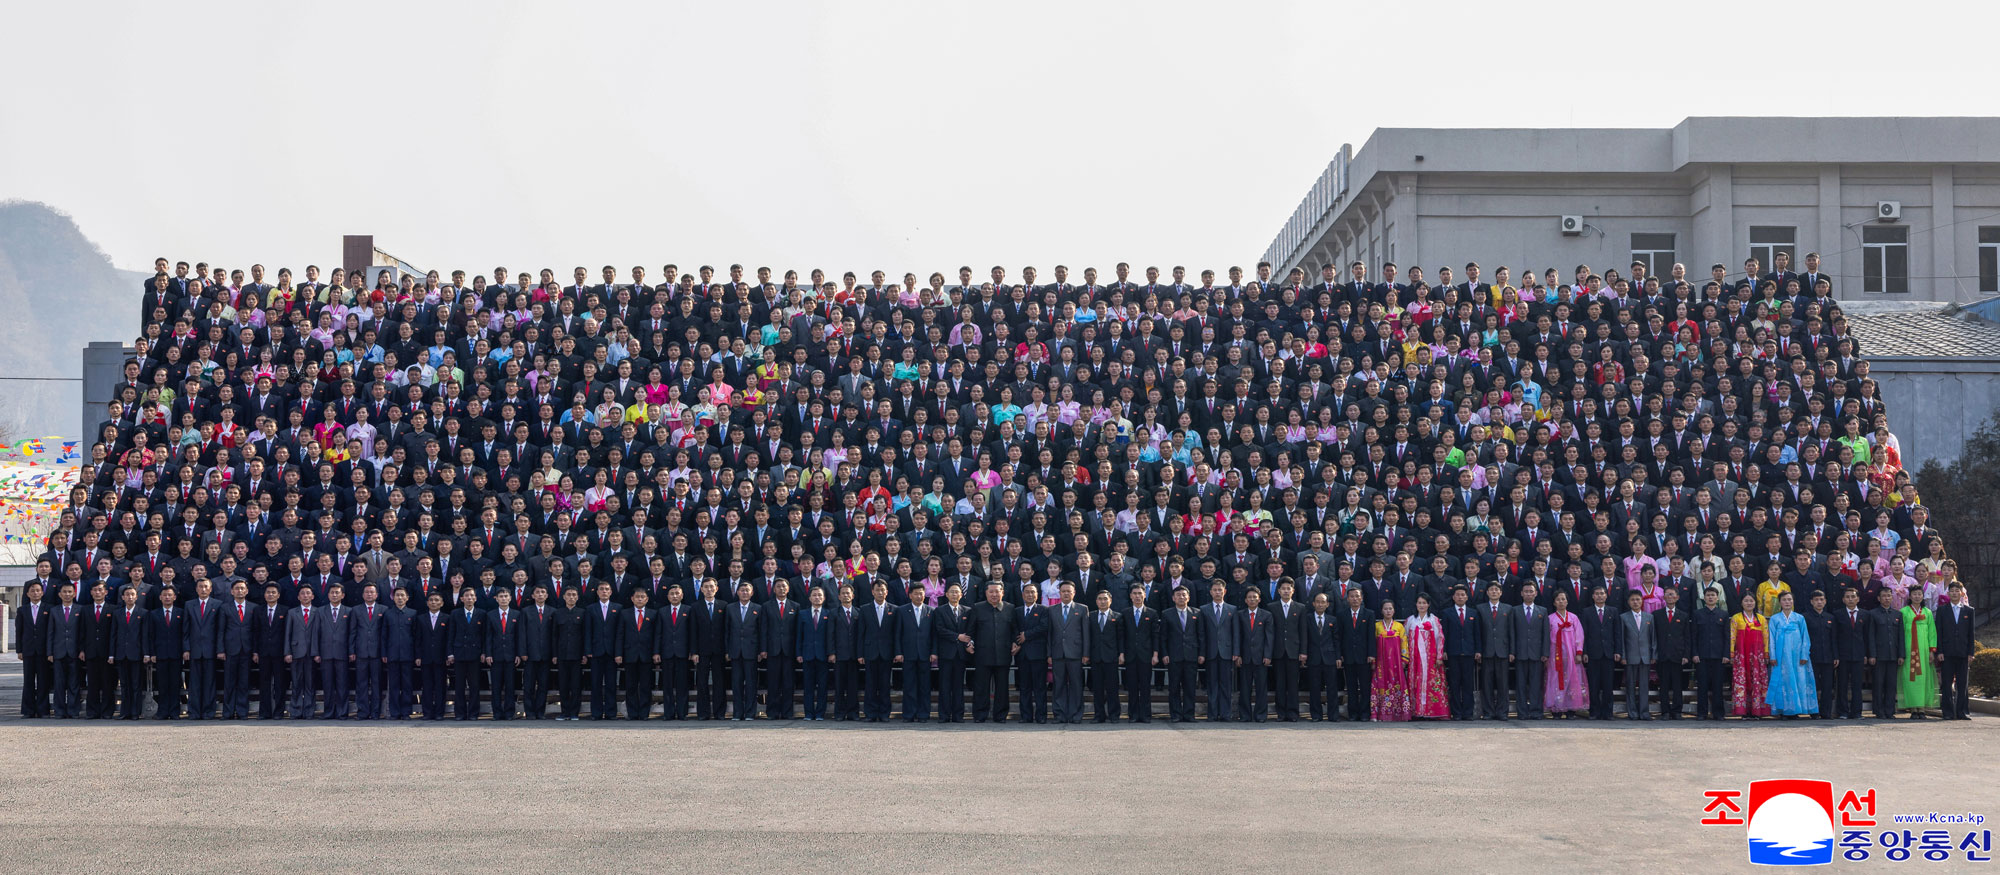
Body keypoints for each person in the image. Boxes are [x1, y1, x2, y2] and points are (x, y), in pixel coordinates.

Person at [966, 582, 1017, 723]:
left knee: (1002, 688)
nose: (994, 594)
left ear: (1003, 593)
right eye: (991, 592)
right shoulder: (977, 608)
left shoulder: (1010, 608)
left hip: (1003, 654)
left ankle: (1000, 715)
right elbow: (971, 631)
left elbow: (1015, 631)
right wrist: (969, 644)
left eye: (997, 592)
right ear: (986, 593)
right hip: (982, 655)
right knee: (981, 687)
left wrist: (1015, 643)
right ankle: (980, 714)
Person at [1765, 591, 1818, 718]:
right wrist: (1772, 656)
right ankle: (1784, 709)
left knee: (1800, 680)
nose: (1787, 602)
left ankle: (1800, 708)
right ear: (1780, 602)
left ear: (1793, 601)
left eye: (1789, 599)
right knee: (1783, 682)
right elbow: (1771, 638)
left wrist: (1804, 654)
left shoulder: (1799, 618)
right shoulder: (1774, 619)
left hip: (1797, 656)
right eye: (1784, 600)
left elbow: (1805, 637)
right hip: (1781, 656)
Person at [1160, 585, 1203, 723]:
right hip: (1174, 655)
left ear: (1188, 597)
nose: (1181, 597)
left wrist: (1201, 653)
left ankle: (1189, 714)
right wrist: (1165, 653)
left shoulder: (1197, 613)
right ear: (1173, 598)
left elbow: (1201, 635)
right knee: (1174, 687)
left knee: (1190, 686)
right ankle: (1176, 714)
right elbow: (1163, 637)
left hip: (1191, 655)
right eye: (1178, 595)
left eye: (1184, 595)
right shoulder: (1167, 614)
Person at [1543, 589, 1588, 717]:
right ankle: (1556, 708)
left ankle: (1570, 709)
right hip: (1554, 655)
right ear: (1554, 603)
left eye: (1563, 599)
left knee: (1573, 680)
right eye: (1558, 600)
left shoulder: (1573, 618)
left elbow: (1579, 635)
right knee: (1555, 679)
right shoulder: (1550, 619)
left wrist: (1579, 653)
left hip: (1572, 655)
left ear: (1567, 601)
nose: (1561, 602)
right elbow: (1546, 638)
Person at [723, 581, 764, 721]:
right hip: (735, 651)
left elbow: (761, 632)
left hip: (751, 651)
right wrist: (727, 650)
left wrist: (761, 650)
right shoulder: (730, 608)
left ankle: (750, 713)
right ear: (737, 592)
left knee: (751, 684)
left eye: (747, 590)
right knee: (737, 683)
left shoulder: (758, 608)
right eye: (742, 590)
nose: (745, 593)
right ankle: (737, 713)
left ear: (752, 593)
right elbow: (726, 631)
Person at [1935, 581, 1976, 720]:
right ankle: (1947, 712)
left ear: (1961, 593)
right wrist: (1939, 651)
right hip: (1946, 653)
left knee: (1962, 683)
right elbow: (1938, 632)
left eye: (1957, 591)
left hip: (1963, 653)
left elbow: (1971, 634)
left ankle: (1962, 711)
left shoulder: (1969, 611)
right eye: (1951, 591)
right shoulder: (1942, 610)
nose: (1954, 593)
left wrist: (1971, 652)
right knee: (1946, 684)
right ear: (1948, 593)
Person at [616, 585, 658, 720]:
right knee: (631, 686)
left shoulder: (653, 614)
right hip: (630, 655)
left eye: (642, 597)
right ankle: (633, 713)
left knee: (646, 686)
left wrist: (656, 652)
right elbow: (620, 635)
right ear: (632, 599)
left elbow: (656, 635)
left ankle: (644, 713)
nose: (640, 599)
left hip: (646, 655)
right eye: (637, 597)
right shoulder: (624, 613)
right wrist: (618, 653)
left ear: (647, 599)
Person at [1082, 588, 1124, 723]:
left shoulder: (1117, 616)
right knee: (1097, 689)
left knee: (1112, 689)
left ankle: (1114, 715)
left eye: (1105, 599)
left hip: (1111, 657)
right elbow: (1087, 637)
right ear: (1096, 601)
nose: (1103, 601)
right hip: (1095, 657)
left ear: (1110, 601)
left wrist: (1121, 654)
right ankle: (1099, 715)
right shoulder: (1091, 616)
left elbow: (1121, 638)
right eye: (1100, 599)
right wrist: (1086, 654)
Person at [1728, 592, 1771, 719]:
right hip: (1741, 654)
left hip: (1757, 656)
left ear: (1755, 603)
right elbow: (1732, 637)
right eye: (1746, 601)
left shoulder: (1761, 619)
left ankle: (1757, 711)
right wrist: (1731, 653)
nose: (1749, 603)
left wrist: (1766, 654)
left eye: (1751, 601)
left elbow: (1766, 638)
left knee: (1757, 680)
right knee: (1742, 680)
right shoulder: (1736, 618)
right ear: (1741, 603)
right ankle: (1743, 711)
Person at [1613, 590, 1655, 720]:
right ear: (1628, 602)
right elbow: (1621, 638)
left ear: (1642, 601)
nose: (1635, 602)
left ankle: (1644, 712)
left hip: (1645, 656)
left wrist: (1653, 655)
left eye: (1638, 599)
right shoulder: (1623, 617)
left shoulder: (1649, 617)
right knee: (1630, 686)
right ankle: (1632, 712)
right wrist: (1623, 656)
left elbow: (1653, 638)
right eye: (1633, 600)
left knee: (1644, 686)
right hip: (1630, 656)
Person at [218, 580, 256, 720]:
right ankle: (227, 712)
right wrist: (220, 650)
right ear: (231, 591)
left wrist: (255, 651)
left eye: (242, 589)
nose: (240, 591)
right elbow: (221, 630)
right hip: (230, 650)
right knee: (229, 682)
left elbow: (255, 631)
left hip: (247, 649)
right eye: (237, 589)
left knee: (244, 682)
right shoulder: (225, 607)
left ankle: (242, 712)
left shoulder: (253, 607)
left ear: (246, 591)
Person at [1897, 592, 1939, 719]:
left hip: (1924, 650)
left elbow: (1932, 632)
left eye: (1919, 594)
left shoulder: (1927, 612)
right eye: (1914, 594)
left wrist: (1932, 651)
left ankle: (1921, 708)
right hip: (1908, 649)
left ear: (1922, 597)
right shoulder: (1903, 612)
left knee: (1923, 678)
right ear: (1910, 597)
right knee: (1909, 678)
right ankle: (1913, 708)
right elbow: (1900, 634)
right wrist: (1901, 653)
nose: (1917, 597)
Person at [1201, 581, 1239, 721]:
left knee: (1226, 685)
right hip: (1210, 652)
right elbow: (1202, 634)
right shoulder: (1203, 609)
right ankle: (1212, 714)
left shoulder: (1232, 609)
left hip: (1227, 652)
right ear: (1210, 592)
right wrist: (1202, 653)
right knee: (1212, 685)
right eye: (1215, 590)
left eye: (1220, 590)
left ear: (1225, 592)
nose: (1217, 592)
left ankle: (1225, 713)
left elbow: (1236, 633)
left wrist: (1236, 651)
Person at [445, 586, 485, 720]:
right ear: (461, 598)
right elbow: (451, 634)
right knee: (459, 685)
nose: (469, 598)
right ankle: (460, 713)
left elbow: (484, 635)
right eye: (467, 596)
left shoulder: (481, 613)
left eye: (472, 596)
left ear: (476, 598)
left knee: (474, 685)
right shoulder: (455, 613)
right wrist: (450, 653)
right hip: (459, 653)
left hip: (475, 654)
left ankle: (473, 713)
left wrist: (483, 652)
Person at [897, 583, 935, 722]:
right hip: (908, 654)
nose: (919, 596)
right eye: (916, 594)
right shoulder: (902, 610)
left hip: (925, 654)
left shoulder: (931, 611)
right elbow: (898, 634)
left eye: (921, 593)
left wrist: (934, 652)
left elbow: (934, 634)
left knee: (925, 687)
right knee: (909, 686)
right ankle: (909, 714)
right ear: (910, 595)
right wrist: (898, 652)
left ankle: (923, 714)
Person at [1476, 581, 1514, 720]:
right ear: (1487, 592)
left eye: (1496, 590)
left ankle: (1502, 712)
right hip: (1486, 651)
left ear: (1501, 593)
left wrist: (1512, 651)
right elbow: (1478, 632)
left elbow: (1511, 631)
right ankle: (1488, 712)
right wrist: (1478, 650)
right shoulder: (1480, 608)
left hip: (1503, 651)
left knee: (1503, 684)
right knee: (1487, 684)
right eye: (1491, 590)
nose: (1494, 592)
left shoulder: (1508, 609)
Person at [934, 583, 971, 723]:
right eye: (952, 592)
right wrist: (957, 636)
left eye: (957, 592)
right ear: (946, 594)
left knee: (958, 686)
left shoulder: (967, 611)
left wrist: (968, 642)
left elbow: (970, 630)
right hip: (946, 653)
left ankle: (958, 715)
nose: (954, 594)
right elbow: (939, 629)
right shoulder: (940, 611)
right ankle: (943, 715)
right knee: (944, 686)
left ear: (961, 595)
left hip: (961, 654)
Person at [1865, 586, 1905, 718]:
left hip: (1893, 655)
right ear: (1878, 598)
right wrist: (1872, 654)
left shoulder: (1898, 614)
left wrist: (1901, 655)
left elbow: (1901, 636)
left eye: (1889, 596)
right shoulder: (1873, 614)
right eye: (1884, 596)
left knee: (1891, 684)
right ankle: (1879, 710)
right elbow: (1870, 636)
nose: (1886, 598)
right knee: (1878, 684)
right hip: (1878, 656)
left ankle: (1890, 710)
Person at [1691, 586, 1730, 720]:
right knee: (1702, 686)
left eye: (1713, 595)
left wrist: (1726, 654)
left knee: (1717, 686)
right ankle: (1702, 713)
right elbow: (1693, 636)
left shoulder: (1723, 615)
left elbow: (1727, 637)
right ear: (1704, 598)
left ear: (1717, 598)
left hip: (1719, 657)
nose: (1711, 597)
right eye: (1708, 595)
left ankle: (1718, 713)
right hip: (1702, 656)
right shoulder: (1697, 614)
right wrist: (1694, 653)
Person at [1653, 586, 1692, 720]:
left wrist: (1686, 655)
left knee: (1677, 685)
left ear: (1677, 597)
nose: (1670, 597)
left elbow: (1687, 637)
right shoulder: (1656, 615)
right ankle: (1665, 711)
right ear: (1663, 597)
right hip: (1662, 655)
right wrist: (1655, 654)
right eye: (1667, 595)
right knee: (1663, 685)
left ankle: (1677, 711)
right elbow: (1653, 636)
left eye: (1672, 595)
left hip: (1678, 655)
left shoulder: (1683, 615)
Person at [1440, 585, 1479, 721]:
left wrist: (1478, 650)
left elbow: (1477, 634)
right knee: (1455, 684)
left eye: (1463, 595)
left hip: (1469, 652)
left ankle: (1468, 712)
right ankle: (1456, 712)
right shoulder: (1447, 612)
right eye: (1458, 595)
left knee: (1468, 684)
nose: (1460, 597)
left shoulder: (1473, 613)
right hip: (1453, 652)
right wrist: (1443, 650)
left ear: (1467, 597)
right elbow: (1443, 633)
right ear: (1453, 597)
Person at [1831, 587, 1870, 719]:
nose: (1850, 599)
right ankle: (1842, 712)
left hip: (1859, 655)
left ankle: (1857, 712)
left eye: (1853, 597)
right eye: (1847, 597)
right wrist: (1835, 655)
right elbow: (1834, 637)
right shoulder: (1837, 614)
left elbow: (1867, 636)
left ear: (1858, 599)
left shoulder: (1865, 614)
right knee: (1842, 685)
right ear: (1843, 599)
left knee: (1857, 685)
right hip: (1842, 656)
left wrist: (1866, 654)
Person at [147, 584, 186, 719]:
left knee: (175, 684)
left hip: (176, 653)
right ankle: (163, 711)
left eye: (170, 595)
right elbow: (150, 635)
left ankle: (175, 711)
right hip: (160, 654)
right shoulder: (153, 614)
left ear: (174, 597)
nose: (167, 597)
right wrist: (151, 653)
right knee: (162, 684)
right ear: (160, 597)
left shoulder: (181, 613)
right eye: (165, 595)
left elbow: (184, 634)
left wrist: (184, 650)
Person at [584, 581, 622, 720]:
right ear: (597, 592)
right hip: (596, 651)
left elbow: (619, 633)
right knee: (596, 684)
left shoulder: (618, 608)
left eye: (607, 589)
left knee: (611, 684)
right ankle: (596, 713)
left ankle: (611, 713)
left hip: (611, 653)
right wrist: (588, 650)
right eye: (601, 589)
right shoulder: (591, 608)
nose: (604, 591)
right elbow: (587, 631)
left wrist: (618, 652)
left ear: (611, 592)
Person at [182, 578, 219, 720]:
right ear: (196, 589)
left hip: (211, 649)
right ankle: (194, 712)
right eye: (200, 587)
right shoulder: (189, 605)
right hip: (194, 649)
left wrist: (219, 649)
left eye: (206, 587)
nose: (203, 589)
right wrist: (186, 649)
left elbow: (219, 629)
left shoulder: (217, 604)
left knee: (209, 683)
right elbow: (185, 629)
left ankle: (209, 712)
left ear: (210, 589)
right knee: (194, 683)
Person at [1122, 584, 1159, 723]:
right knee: (1132, 687)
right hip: (1130, 655)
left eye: (1140, 593)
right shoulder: (1124, 613)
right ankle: (1133, 715)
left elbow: (1155, 636)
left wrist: (1155, 654)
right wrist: (1121, 653)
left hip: (1146, 655)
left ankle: (1145, 715)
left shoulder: (1152, 613)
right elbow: (1122, 636)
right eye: (1134, 593)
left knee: (1145, 687)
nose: (1137, 596)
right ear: (1130, 596)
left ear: (1144, 595)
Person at [485, 585, 523, 719]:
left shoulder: (517, 614)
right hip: (495, 656)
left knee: (510, 686)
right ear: (496, 599)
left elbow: (519, 636)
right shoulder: (490, 615)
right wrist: (488, 653)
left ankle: (509, 712)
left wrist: (519, 653)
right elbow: (488, 636)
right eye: (501, 596)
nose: (503, 599)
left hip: (511, 656)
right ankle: (497, 712)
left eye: (506, 596)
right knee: (496, 687)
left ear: (510, 598)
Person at [1369, 598, 1410, 722]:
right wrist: (1373, 661)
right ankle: (1379, 713)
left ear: (1394, 611)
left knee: (1397, 685)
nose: (1388, 611)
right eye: (1385, 609)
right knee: (1379, 685)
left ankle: (1398, 713)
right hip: (1381, 663)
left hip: (1395, 663)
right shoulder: (1376, 626)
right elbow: (1372, 644)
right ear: (1381, 611)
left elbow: (1404, 643)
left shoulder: (1399, 626)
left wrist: (1404, 660)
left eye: (1390, 609)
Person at [315, 584, 352, 719]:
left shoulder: (349, 611)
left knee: (342, 685)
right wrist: (316, 653)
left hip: (342, 653)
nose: (334, 595)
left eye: (337, 593)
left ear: (343, 595)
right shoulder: (320, 611)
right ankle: (329, 711)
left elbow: (351, 634)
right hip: (325, 653)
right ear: (328, 595)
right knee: (327, 685)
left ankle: (342, 712)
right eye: (332, 593)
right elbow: (316, 633)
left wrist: (351, 652)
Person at [761, 580, 797, 719]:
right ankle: (772, 712)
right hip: (772, 649)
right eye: (778, 587)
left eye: (784, 586)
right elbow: (763, 628)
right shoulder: (767, 606)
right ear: (773, 590)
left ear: (788, 589)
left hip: (789, 650)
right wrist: (763, 649)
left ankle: (787, 712)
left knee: (788, 683)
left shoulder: (795, 606)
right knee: (773, 682)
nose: (781, 589)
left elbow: (797, 630)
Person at [411, 591, 450, 720]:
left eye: (437, 600)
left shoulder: (447, 618)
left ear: (442, 603)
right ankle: (427, 712)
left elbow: (448, 639)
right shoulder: (421, 618)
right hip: (425, 657)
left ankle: (439, 713)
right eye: (431, 600)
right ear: (427, 603)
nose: (434, 602)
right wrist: (417, 656)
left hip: (441, 658)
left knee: (440, 686)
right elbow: (417, 639)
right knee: (426, 686)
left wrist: (448, 655)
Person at [797, 585, 833, 721]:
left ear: (824, 598)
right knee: (808, 686)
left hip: (823, 655)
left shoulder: (828, 614)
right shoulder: (802, 614)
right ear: (810, 598)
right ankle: (808, 713)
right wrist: (798, 653)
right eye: (814, 595)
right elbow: (799, 635)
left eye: (820, 595)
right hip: (807, 654)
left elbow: (830, 636)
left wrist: (830, 653)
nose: (817, 597)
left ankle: (820, 714)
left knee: (823, 687)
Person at [284, 585, 320, 719]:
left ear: (313, 596)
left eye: (308, 593)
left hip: (311, 652)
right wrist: (287, 652)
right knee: (297, 682)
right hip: (296, 652)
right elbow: (288, 633)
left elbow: (320, 634)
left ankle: (309, 711)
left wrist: (318, 652)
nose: (305, 596)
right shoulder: (292, 612)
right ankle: (295, 710)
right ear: (298, 597)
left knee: (310, 683)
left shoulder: (318, 612)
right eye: (302, 594)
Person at [517, 585, 554, 719]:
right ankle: (530, 712)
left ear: (547, 595)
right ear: (532, 596)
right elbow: (522, 634)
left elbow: (554, 635)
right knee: (529, 686)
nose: (540, 595)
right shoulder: (526, 611)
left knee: (543, 686)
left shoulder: (552, 611)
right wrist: (523, 652)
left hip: (546, 654)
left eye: (543, 592)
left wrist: (553, 654)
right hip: (530, 654)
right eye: (537, 592)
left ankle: (540, 712)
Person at [14, 582, 50, 718]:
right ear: (28, 594)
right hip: (28, 650)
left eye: (38, 591)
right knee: (28, 681)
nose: (35, 593)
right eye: (32, 591)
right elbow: (19, 631)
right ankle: (28, 710)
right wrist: (19, 650)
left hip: (43, 651)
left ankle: (43, 710)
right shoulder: (22, 610)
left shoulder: (48, 608)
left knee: (43, 681)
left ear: (42, 593)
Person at [1800, 590, 1837, 720]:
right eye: (1816, 600)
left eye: (1821, 599)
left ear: (1825, 601)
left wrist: (1835, 656)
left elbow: (1834, 639)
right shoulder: (1805, 617)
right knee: (1813, 685)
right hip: (1812, 657)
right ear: (1811, 602)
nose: (1819, 602)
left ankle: (1826, 712)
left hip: (1828, 656)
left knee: (1827, 686)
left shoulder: (1830, 618)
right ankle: (1814, 711)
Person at [382, 585, 417, 720]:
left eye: (402, 595)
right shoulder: (388, 614)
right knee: (394, 685)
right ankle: (395, 712)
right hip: (392, 655)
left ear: (407, 598)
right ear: (393, 598)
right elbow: (384, 636)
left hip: (408, 655)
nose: (400, 598)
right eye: (397, 595)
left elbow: (416, 636)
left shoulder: (412, 614)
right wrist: (384, 653)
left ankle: (406, 711)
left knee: (407, 685)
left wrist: (416, 655)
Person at [1514, 582, 1547, 719]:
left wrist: (1545, 653)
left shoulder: (1542, 611)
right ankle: (1521, 712)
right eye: (1526, 591)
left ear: (1535, 593)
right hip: (1520, 653)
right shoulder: (1514, 610)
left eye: (1531, 591)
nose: (1528, 593)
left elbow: (1545, 634)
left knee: (1536, 685)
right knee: (1520, 685)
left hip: (1537, 654)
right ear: (1521, 593)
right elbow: (1512, 633)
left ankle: (1536, 711)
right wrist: (1512, 652)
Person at [657, 585, 691, 719]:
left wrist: (692, 651)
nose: (675, 596)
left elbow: (692, 632)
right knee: (668, 685)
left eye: (677, 593)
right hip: (666, 653)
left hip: (683, 653)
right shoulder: (662, 611)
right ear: (668, 596)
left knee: (682, 685)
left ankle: (682, 713)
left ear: (682, 595)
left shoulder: (688, 610)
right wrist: (656, 652)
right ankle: (668, 713)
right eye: (672, 594)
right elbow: (658, 634)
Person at [830, 584, 863, 721]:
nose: (845, 595)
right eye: (843, 593)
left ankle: (853, 713)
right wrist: (831, 652)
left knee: (853, 686)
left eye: (848, 593)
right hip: (839, 655)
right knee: (839, 686)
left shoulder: (859, 612)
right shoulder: (833, 613)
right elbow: (830, 634)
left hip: (854, 655)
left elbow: (861, 635)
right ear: (839, 596)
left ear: (853, 596)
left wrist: (861, 653)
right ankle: (839, 713)